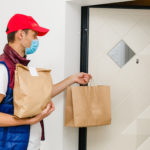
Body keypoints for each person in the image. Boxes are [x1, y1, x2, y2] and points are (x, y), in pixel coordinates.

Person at [0, 14, 92, 150]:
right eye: (34, 34)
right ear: (20, 34)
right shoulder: (3, 68)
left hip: (30, 145)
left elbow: (42, 94)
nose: (36, 40)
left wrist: (72, 79)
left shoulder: (20, 66)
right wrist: (30, 120)